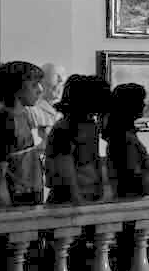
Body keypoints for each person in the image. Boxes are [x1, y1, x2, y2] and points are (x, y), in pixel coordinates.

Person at [46, 74, 111, 204]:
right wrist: (77, 198)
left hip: (90, 192)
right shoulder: (64, 128)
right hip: (70, 198)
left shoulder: (90, 125)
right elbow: (65, 166)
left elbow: (95, 159)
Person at [0, 60, 46, 208]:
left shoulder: (26, 114)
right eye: (34, 85)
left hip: (32, 186)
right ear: (16, 88)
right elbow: (1, 157)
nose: (40, 89)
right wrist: (2, 190)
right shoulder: (6, 118)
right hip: (17, 190)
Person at [104, 82, 149, 198]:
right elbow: (130, 176)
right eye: (140, 101)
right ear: (129, 105)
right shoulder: (124, 138)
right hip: (133, 199)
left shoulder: (123, 135)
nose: (144, 105)